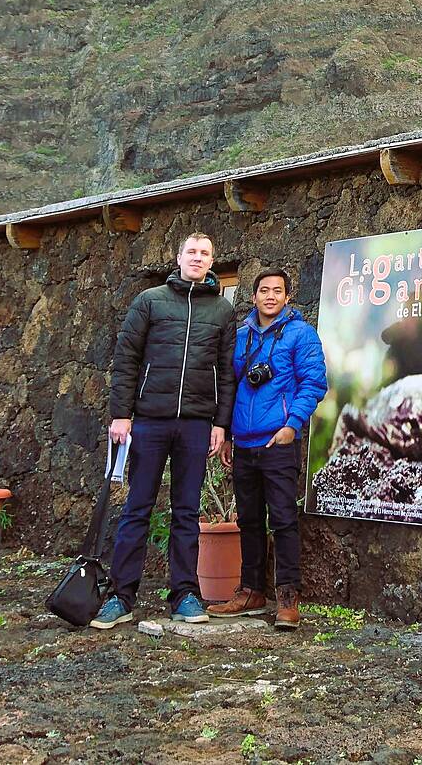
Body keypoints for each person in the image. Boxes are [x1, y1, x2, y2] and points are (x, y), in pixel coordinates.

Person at [90, 232, 237, 629]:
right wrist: (121, 415)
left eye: (205, 253)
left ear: (212, 262)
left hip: (196, 424)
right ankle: (121, 596)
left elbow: (227, 372)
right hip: (150, 421)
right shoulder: (150, 301)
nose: (198, 258)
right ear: (179, 257)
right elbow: (127, 359)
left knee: (187, 512)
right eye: (192, 251)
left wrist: (221, 424)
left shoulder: (223, 310)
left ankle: (185, 595)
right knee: (137, 508)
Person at [208, 268, 327, 629]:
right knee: (248, 520)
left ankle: (288, 597)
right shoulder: (241, 336)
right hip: (244, 443)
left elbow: (314, 383)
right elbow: (229, 385)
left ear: (287, 297)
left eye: (277, 291)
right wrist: (228, 434)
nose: (270, 296)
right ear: (254, 296)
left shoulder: (301, 334)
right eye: (264, 290)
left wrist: (292, 425)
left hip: (278, 441)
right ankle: (251, 591)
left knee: (284, 519)